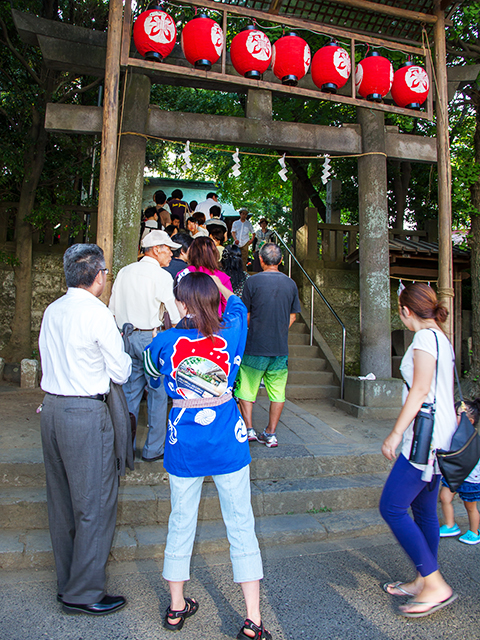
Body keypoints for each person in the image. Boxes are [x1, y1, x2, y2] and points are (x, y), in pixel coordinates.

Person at [143, 271, 272, 640]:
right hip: (227, 439)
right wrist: (220, 288)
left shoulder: (165, 341)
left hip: (183, 440)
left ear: (182, 303)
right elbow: (238, 305)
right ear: (214, 300)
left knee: (181, 520)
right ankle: (253, 618)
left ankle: (176, 607)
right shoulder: (232, 334)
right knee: (241, 524)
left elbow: (152, 378)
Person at [39, 244, 132, 615]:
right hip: (85, 412)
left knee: (61, 503)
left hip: (52, 409)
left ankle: (69, 583)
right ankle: (85, 592)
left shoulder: (52, 310)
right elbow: (121, 371)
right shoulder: (98, 314)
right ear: (98, 277)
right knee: (93, 504)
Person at [380, 283, 458, 618]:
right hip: (441, 436)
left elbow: (422, 389)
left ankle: (435, 583)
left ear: (406, 310)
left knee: (392, 507)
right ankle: (424, 580)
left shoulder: (425, 338)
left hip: (423, 439)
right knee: (425, 510)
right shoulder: (442, 337)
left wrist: (395, 433)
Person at [109, 230, 181, 462]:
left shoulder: (124, 272)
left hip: (126, 337)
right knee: (158, 393)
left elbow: (112, 310)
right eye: (168, 249)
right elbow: (176, 316)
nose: (171, 253)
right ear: (156, 249)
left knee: (129, 392)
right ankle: (153, 449)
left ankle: (124, 449)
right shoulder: (161, 276)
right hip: (151, 340)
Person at [235, 243, 300, 447]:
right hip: (280, 348)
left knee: (246, 389)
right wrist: (279, 330)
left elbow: (245, 315)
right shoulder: (291, 284)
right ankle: (271, 433)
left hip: (254, 346)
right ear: (281, 261)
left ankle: (248, 429)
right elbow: (293, 316)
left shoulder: (252, 282)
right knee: (278, 393)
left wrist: (255, 327)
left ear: (261, 260)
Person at [439, 398, 480, 544]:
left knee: (470, 506)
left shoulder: (473, 438)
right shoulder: (451, 433)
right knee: (445, 497)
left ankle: (474, 532)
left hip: (470, 478)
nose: (451, 417)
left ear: (469, 422)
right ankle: (450, 525)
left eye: (456, 415)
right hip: (454, 473)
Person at [184, 236, 233, 314]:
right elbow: (229, 306)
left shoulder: (184, 273)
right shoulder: (221, 277)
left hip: (187, 323)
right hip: (214, 323)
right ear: (214, 254)